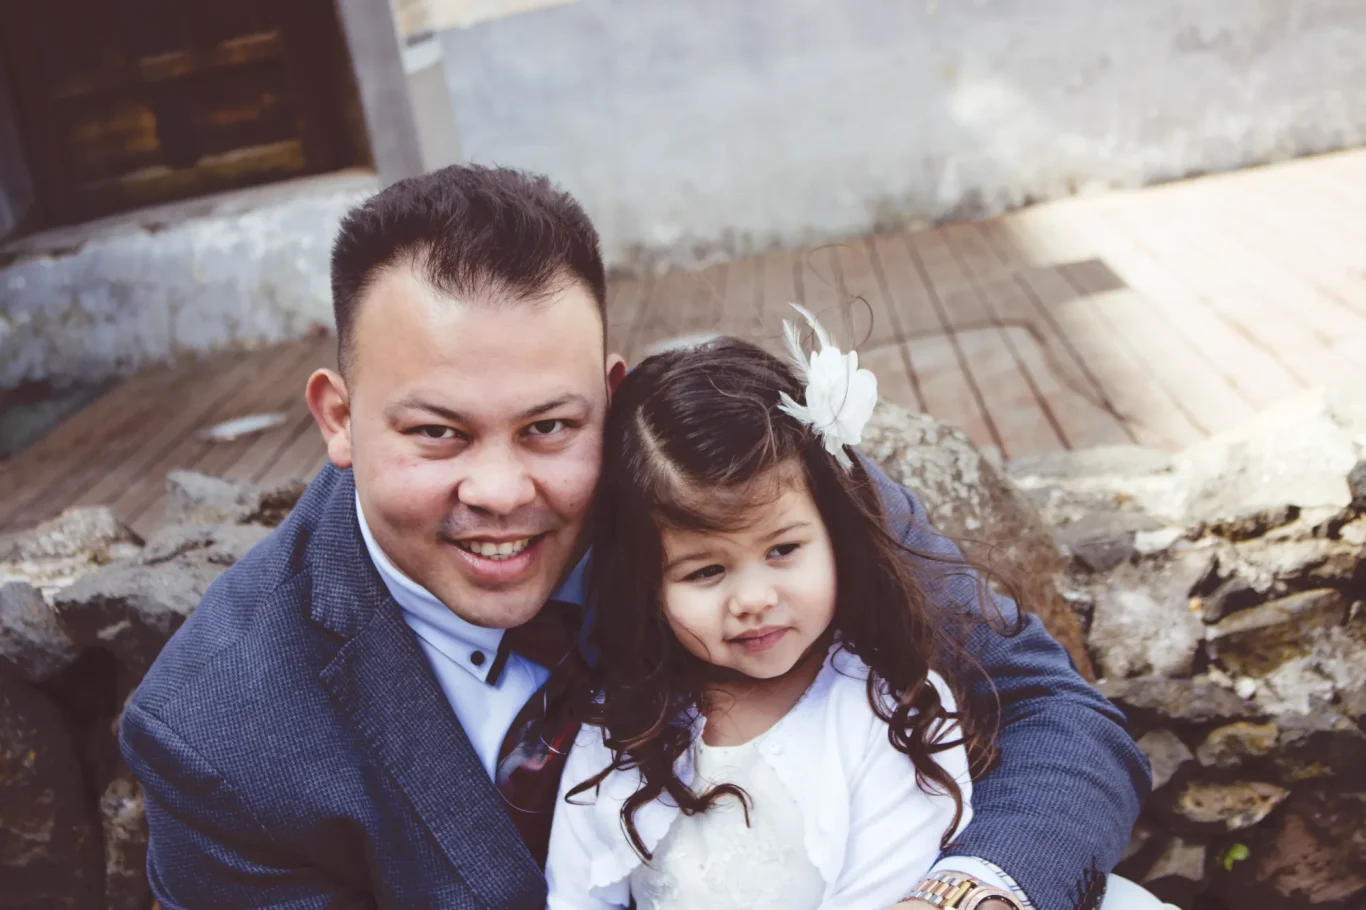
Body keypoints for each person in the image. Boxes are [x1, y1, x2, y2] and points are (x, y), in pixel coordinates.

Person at [120, 165, 1153, 910]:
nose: (499, 490)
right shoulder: (224, 738)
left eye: (548, 427)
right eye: (437, 433)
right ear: (338, 416)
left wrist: (983, 887)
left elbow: (1051, 707)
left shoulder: (751, 493)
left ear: (608, 399)